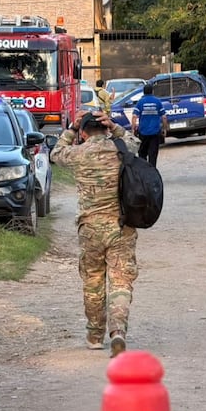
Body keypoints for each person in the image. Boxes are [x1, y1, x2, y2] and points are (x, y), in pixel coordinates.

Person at [49, 110, 140, 357]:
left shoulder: (78, 153)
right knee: (120, 281)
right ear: (105, 129)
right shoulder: (119, 150)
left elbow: (55, 154)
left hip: (89, 229)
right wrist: (115, 126)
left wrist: (71, 128)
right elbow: (136, 143)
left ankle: (95, 335)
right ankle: (118, 331)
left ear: (84, 133)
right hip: (121, 227)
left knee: (93, 281)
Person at [130, 84, 169, 167]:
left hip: (143, 133)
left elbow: (134, 116)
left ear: (143, 92)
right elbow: (164, 117)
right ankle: (152, 171)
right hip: (155, 133)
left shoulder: (140, 102)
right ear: (152, 91)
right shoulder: (157, 101)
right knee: (153, 155)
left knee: (142, 154)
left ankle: (144, 171)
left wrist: (133, 129)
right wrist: (164, 129)